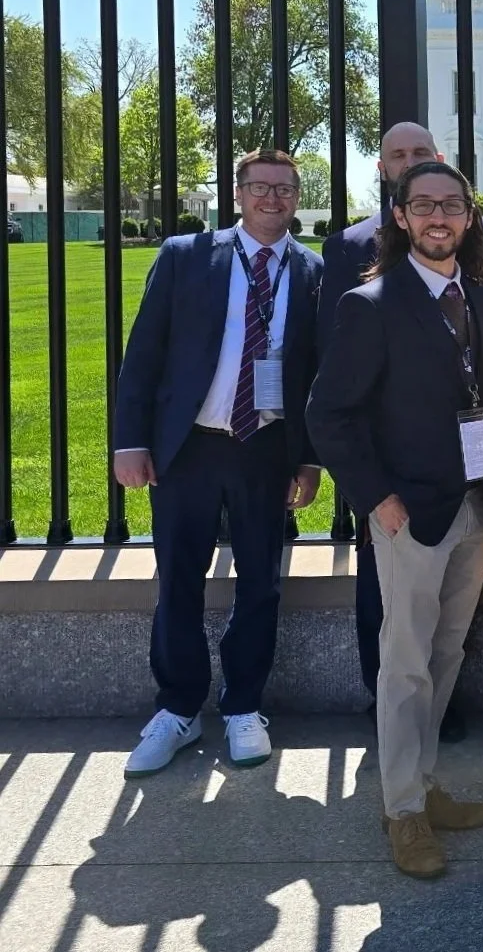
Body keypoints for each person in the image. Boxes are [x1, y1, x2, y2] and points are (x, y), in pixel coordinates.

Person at [307, 161, 483, 880]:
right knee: (404, 664)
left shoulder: (481, 298)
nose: (438, 217)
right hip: (407, 514)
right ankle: (400, 811)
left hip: (474, 509)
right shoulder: (371, 303)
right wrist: (376, 498)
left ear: (467, 217)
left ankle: (422, 785)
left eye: (451, 205)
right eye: (423, 204)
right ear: (399, 216)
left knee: (446, 654)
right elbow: (327, 414)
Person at [114, 149, 324, 776]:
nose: (272, 199)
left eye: (285, 190)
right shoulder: (186, 256)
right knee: (177, 578)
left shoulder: (311, 271)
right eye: (260, 187)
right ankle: (177, 708)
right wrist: (131, 441)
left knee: (260, 582)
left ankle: (243, 707)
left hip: (266, 447)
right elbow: (144, 351)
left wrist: (308, 460)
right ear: (237, 193)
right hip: (190, 446)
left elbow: (314, 375)